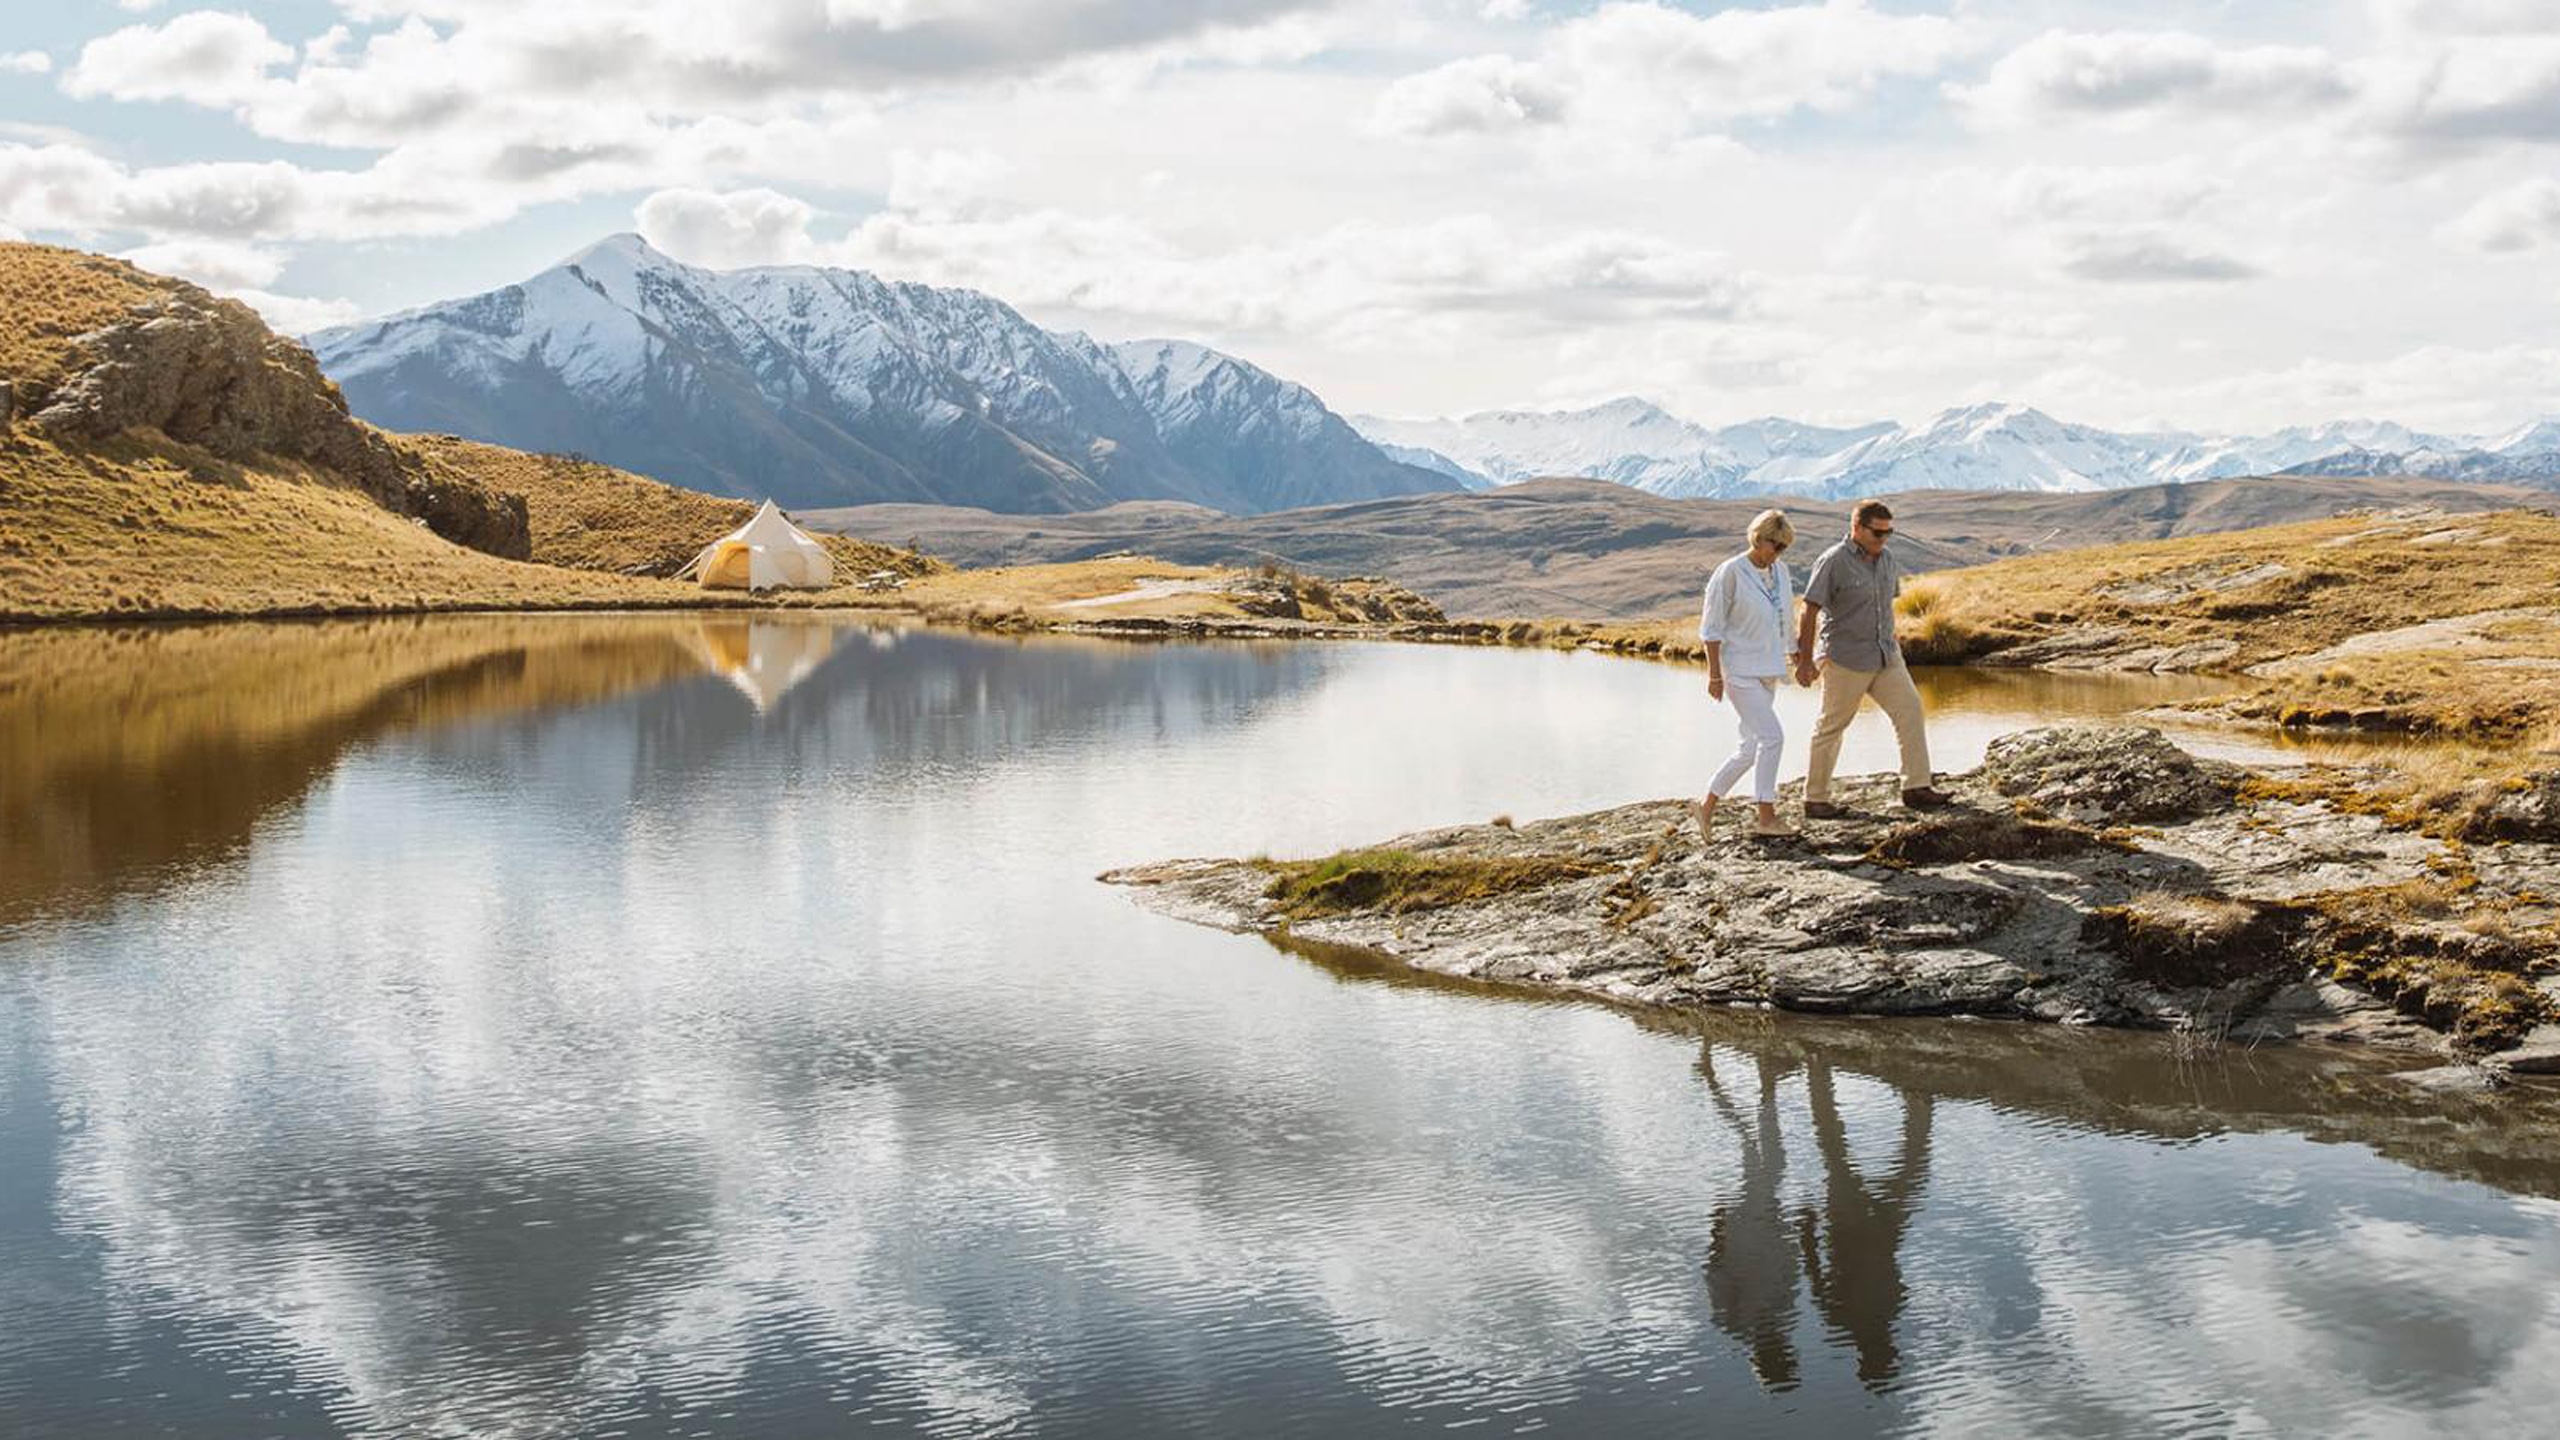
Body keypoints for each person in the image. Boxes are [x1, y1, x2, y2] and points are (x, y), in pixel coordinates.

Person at [1792, 500, 1951, 816]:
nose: (1883, 539)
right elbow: (1809, 610)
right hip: (1844, 658)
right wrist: (1805, 660)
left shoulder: (1888, 559)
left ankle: (1916, 787)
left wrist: (1894, 644)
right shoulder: (1833, 561)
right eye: (1877, 533)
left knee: (1911, 711)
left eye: (1888, 532)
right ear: (1857, 528)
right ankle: (1816, 799)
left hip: (1885, 655)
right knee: (1831, 726)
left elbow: (1885, 607)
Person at [1696, 509, 1799, 839]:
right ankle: (1766, 817)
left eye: (1784, 547)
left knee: (1751, 747)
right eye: (1775, 545)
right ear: (1759, 538)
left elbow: (1785, 617)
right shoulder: (1730, 572)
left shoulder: (1780, 571)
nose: (1779, 553)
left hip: (1768, 667)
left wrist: (1795, 653)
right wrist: (1715, 675)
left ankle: (1706, 806)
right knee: (1773, 737)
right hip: (1739, 669)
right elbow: (1711, 628)